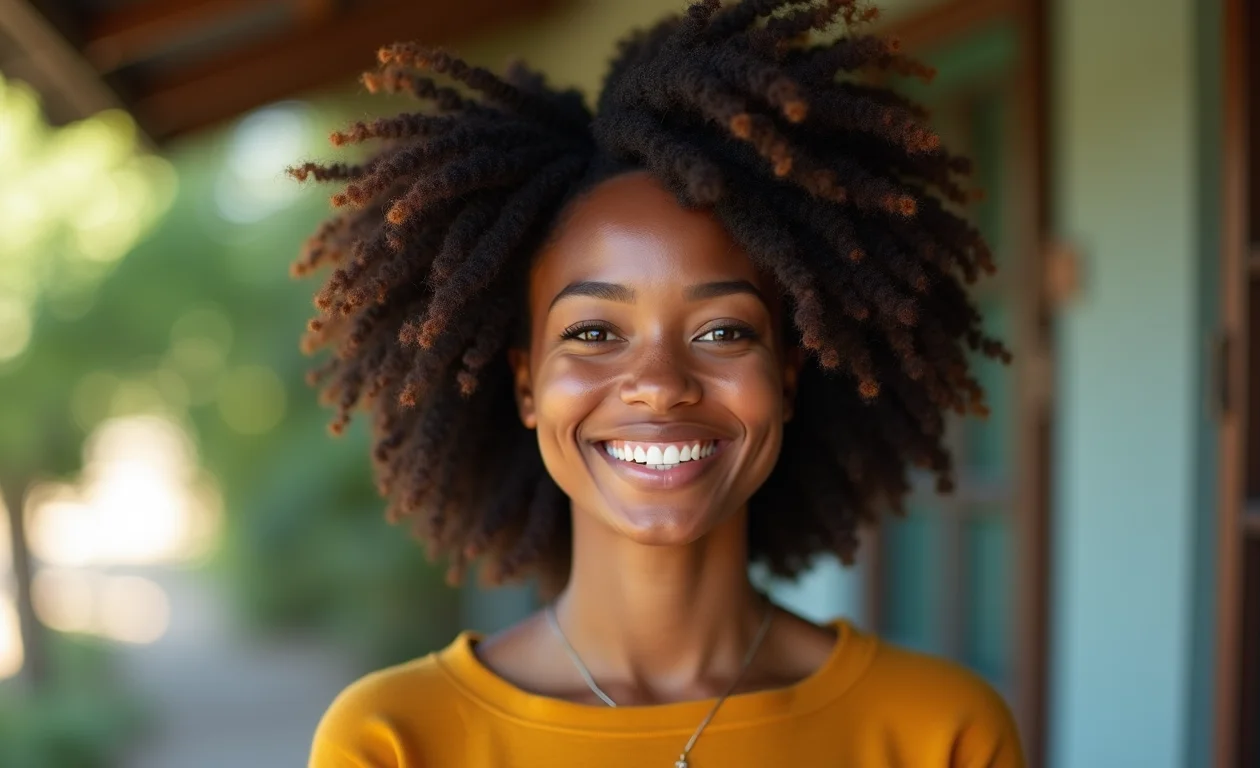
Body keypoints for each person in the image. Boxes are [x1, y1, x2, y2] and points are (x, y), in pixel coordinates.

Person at [289, 1, 1023, 765]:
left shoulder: (941, 731)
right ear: (526, 386)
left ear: (789, 378)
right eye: (594, 334)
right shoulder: (396, 739)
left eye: (724, 332)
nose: (660, 385)